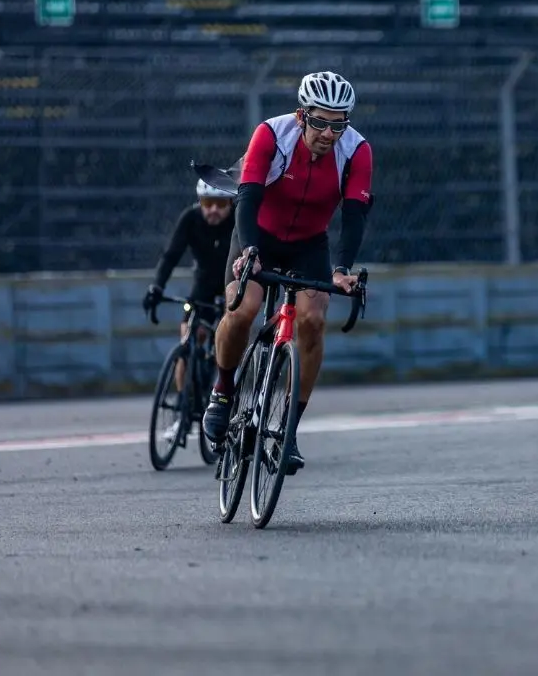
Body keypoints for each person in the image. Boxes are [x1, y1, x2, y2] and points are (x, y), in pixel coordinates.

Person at [201, 71, 373, 474]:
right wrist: (250, 252)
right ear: (301, 116)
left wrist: (342, 269)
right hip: (257, 233)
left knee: (312, 321)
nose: (329, 132)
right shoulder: (271, 135)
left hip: (309, 243)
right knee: (243, 308)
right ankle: (223, 392)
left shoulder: (358, 150)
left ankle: (288, 430)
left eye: (339, 123)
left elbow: (354, 215)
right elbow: (246, 197)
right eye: (320, 122)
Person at [142, 179, 235, 391]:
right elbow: (170, 256)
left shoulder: (239, 220)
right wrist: (156, 287)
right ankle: (182, 406)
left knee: (230, 339)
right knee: (188, 336)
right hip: (202, 285)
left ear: (231, 203)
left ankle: (226, 390)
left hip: (231, 285)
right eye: (208, 203)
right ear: (200, 202)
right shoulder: (190, 219)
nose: (213, 210)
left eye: (221, 205)